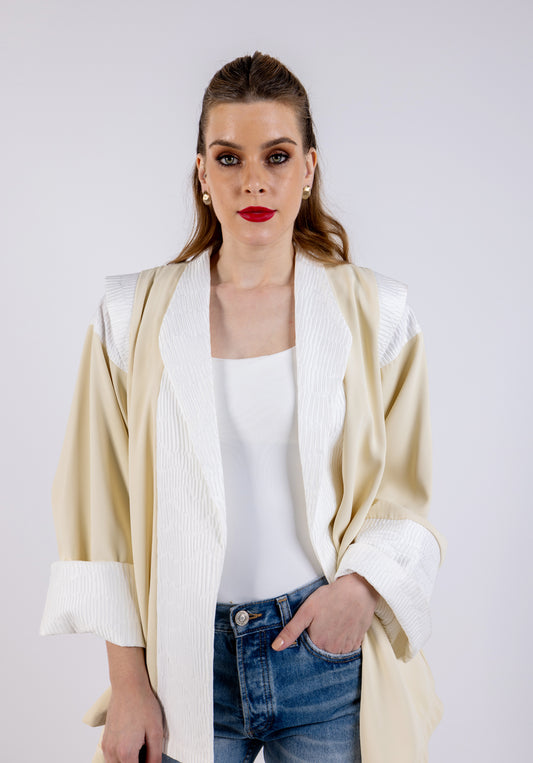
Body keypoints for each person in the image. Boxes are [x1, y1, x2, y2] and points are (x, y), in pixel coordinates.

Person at [40, 51, 446, 763]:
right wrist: (127, 683)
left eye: (276, 156)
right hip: (181, 664)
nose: (253, 180)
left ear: (309, 168)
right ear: (201, 172)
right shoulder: (129, 316)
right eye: (229, 158)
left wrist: (357, 590)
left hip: (324, 660)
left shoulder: (376, 312)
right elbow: (98, 509)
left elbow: (403, 494)